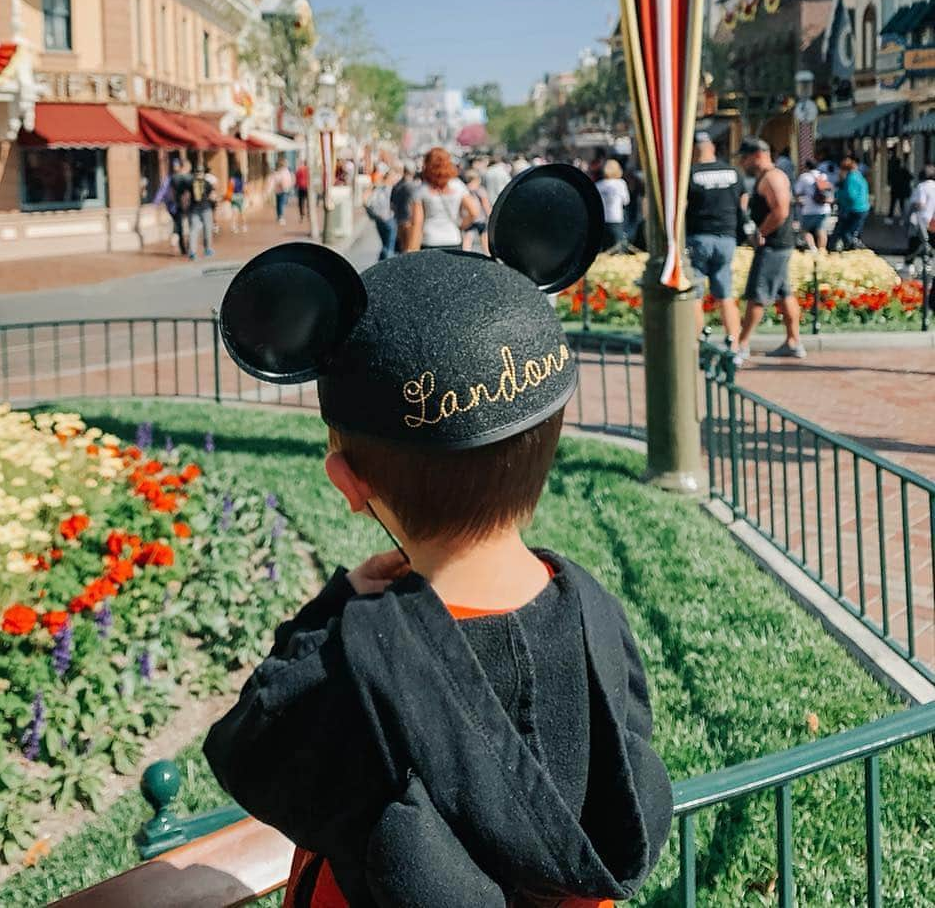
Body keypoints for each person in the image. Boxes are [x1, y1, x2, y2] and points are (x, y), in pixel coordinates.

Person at [206, 187, 673, 906]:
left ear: (347, 482)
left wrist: (330, 610)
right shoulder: (594, 611)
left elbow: (246, 751)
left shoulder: (351, 662)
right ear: (551, 440)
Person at [735, 137, 805, 363]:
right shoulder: (766, 178)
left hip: (774, 245)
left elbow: (781, 211)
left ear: (757, 155)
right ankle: (794, 341)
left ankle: (741, 344)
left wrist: (761, 233)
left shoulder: (772, 178)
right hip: (778, 244)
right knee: (784, 294)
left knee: (758, 293)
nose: (743, 163)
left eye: (745, 158)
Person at [685, 132, 741, 343]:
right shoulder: (733, 172)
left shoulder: (690, 173)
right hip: (726, 236)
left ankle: (699, 345)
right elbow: (741, 203)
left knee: (695, 294)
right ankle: (733, 345)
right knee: (725, 294)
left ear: (693, 151)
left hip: (699, 236)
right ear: (713, 148)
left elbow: (682, 207)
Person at [407, 147, 476, 252]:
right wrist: (461, 225)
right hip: (453, 239)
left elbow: (417, 223)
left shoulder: (422, 190)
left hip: (430, 240)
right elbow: (474, 212)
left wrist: (411, 249)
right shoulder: (458, 185)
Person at [831, 156, 871, 251]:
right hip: (863, 207)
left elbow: (850, 195)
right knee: (852, 231)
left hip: (854, 208)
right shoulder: (859, 176)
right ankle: (851, 248)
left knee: (846, 232)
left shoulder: (850, 178)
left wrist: (838, 196)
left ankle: (852, 249)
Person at [794, 158, 834, 252]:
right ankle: (822, 250)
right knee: (821, 230)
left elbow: (797, 191)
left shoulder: (804, 177)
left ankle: (813, 249)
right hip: (824, 209)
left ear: (806, 166)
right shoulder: (823, 176)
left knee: (805, 230)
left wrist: (799, 201)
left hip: (809, 209)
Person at [903, 164, 935, 275]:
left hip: (920, 220)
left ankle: (909, 265)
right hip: (932, 221)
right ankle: (927, 266)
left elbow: (920, 204)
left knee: (914, 242)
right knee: (929, 243)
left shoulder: (922, 186)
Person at [156, 156, 189, 257]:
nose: (176, 167)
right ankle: (181, 248)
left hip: (177, 205)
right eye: (175, 165)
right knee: (179, 225)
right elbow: (162, 190)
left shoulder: (176, 177)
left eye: (177, 165)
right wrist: (156, 202)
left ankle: (176, 242)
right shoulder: (171, 178)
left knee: (178, 225)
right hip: (174, 205)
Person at [595, 158, 630, 251]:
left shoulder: (598, 185)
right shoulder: (621, 184)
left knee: (604, 249)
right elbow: (626, 201)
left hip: (602, 220)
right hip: (616, 219)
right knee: (617, 248)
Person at [364, 166, 398, 261]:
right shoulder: (391, 189)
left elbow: (368, 201)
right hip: (389, 218)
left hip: (379, 219)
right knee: (389, 246)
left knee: (385, 244)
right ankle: (387, 265)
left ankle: (381, 263)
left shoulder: (378, 188)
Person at [186, 162, 217, 261]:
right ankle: (207, 249)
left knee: (193, 230)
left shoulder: (190, 183)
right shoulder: (207, 183)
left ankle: (192, 252)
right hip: (206, 208)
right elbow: (212, 196)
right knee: (207, 229)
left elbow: (185, 196)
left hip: (193, 209)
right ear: (203, 173)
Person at [461, 169, 492, 253]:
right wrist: (489, 214)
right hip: (481, 217)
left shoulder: (464, 189)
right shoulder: (480, 190)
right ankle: (487, 253)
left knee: (468, 236)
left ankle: (465, 252)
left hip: (468, 217)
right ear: (477, 179)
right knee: (484, 236)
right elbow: (485, 203)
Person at [390, 163, 417, 253]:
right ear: (412, 172)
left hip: (399, 218)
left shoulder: (397, 185)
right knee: (409, 247)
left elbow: (392, 204)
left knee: (402, 247)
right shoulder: (413, 186)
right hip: (409, 219)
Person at [888, 153, 913, 221]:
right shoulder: (904, 170)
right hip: (902, 191)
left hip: (895, 190)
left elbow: (889, 180)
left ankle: (890, 217)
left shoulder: (892, 171)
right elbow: (911, 177)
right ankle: (903, 218)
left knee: (892, 204)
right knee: (902, 205)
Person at [271, 157, 294, 226]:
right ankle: (280, 217)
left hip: (279, 189)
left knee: (279, 203)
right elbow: (287, 179)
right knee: (280, 203)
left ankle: (279, 216)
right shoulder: (284, 171)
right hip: (281, 189)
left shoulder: (280, 171)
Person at [227, 168, 247, 234]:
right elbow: (245, 189)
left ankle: (234, 227)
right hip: (241, 196)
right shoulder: (242, 180)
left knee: (234, 213)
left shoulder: (232, 180)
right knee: (242, 212)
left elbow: (229, 188)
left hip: (234, 197)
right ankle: (244, 227)